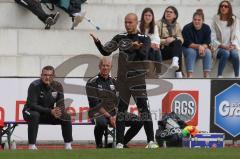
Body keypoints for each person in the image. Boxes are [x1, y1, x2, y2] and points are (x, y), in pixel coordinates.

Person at [90, 13, 158, 148]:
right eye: (125, 22)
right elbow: (106, 52)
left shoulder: (144, 38)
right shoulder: (120, 37)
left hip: (138, 79)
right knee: (121, 111)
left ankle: (151, 141)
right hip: (123, 81)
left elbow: (145, 55)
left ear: (136, 22)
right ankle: (120, 142)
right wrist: (97, 42)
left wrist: (137, 48)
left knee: (144, 110)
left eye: (130, 22)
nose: (127, 25)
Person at [86, 57, 143, 148]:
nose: (105, 67)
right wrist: (110, 116)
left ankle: (121, 143)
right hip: (98, 112)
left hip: (114, 112)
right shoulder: (92, 82)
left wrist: (116, 114)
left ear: (111, 67)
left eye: (107, 66)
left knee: (139, 121)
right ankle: (99, 145)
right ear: (99, 67)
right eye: (103, 65)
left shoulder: (114, 81)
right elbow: (94, 104)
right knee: (101, 123)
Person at [22, 65, 73, 150]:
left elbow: (61, 104)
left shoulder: (58, 86)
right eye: (45, 75)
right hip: (29, 112)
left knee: (66, 116)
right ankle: (31, 146)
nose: (47, 77)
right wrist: (50, 111)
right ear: (41, 75)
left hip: (47, 114)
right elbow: (32, 105)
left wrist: (58, 112)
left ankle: (68, 146)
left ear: (54, 76)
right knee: (35, 115)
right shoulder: (34, 85)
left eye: (50, 75)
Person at [211, 0, 240, 78]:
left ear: (229, 8)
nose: (223, 8)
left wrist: (233, 45)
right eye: (221, 6)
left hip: (231, 46)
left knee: (235, 54)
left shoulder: (235, 20)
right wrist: (223, 46)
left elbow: (237, 35)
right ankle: (219, 75)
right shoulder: (215, 20)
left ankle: (237, 76)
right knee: (226, 53)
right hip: (219, 47)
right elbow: (212, 37)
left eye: (226, 6)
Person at [182, 9, 212, 78]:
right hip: (188, 48)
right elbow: (188, 43)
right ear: (192, 20)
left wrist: (203, 47)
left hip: (200, 49)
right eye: (195, 19)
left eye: (199, 20)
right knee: (191, 52)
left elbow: (207, 42)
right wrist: (199, 46)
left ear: (202, 20)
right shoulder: (187, 28)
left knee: (208, 52)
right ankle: (189, 75)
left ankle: (206, 75)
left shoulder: (206, 28)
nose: (196, 21)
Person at [157, 6, 184, 78]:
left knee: (177, 42)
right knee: (178, 49)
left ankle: (175, 62)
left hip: (172, 50)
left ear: (175, 15)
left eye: (170, 12)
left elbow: (181, 39)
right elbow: (155, 39)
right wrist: (165, 41)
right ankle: (179, 72)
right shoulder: (158, 24)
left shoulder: (177, 25)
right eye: (167, 11)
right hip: (161, 50)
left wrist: (173, 38)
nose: (168, 13)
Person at [139, 7, 162, 77]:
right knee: (147, 49)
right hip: (140, 47)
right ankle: (146, 71)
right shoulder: (138, 25)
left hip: (151, 49)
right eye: (146, 15)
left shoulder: (154, 27)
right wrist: (149, 44)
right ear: (143, 16)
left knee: (157, 50)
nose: (147, 17)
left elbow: (157, 39)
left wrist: (154, 44)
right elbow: (137, 39)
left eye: (149, 15)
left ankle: (158, 72)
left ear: (152, 17)